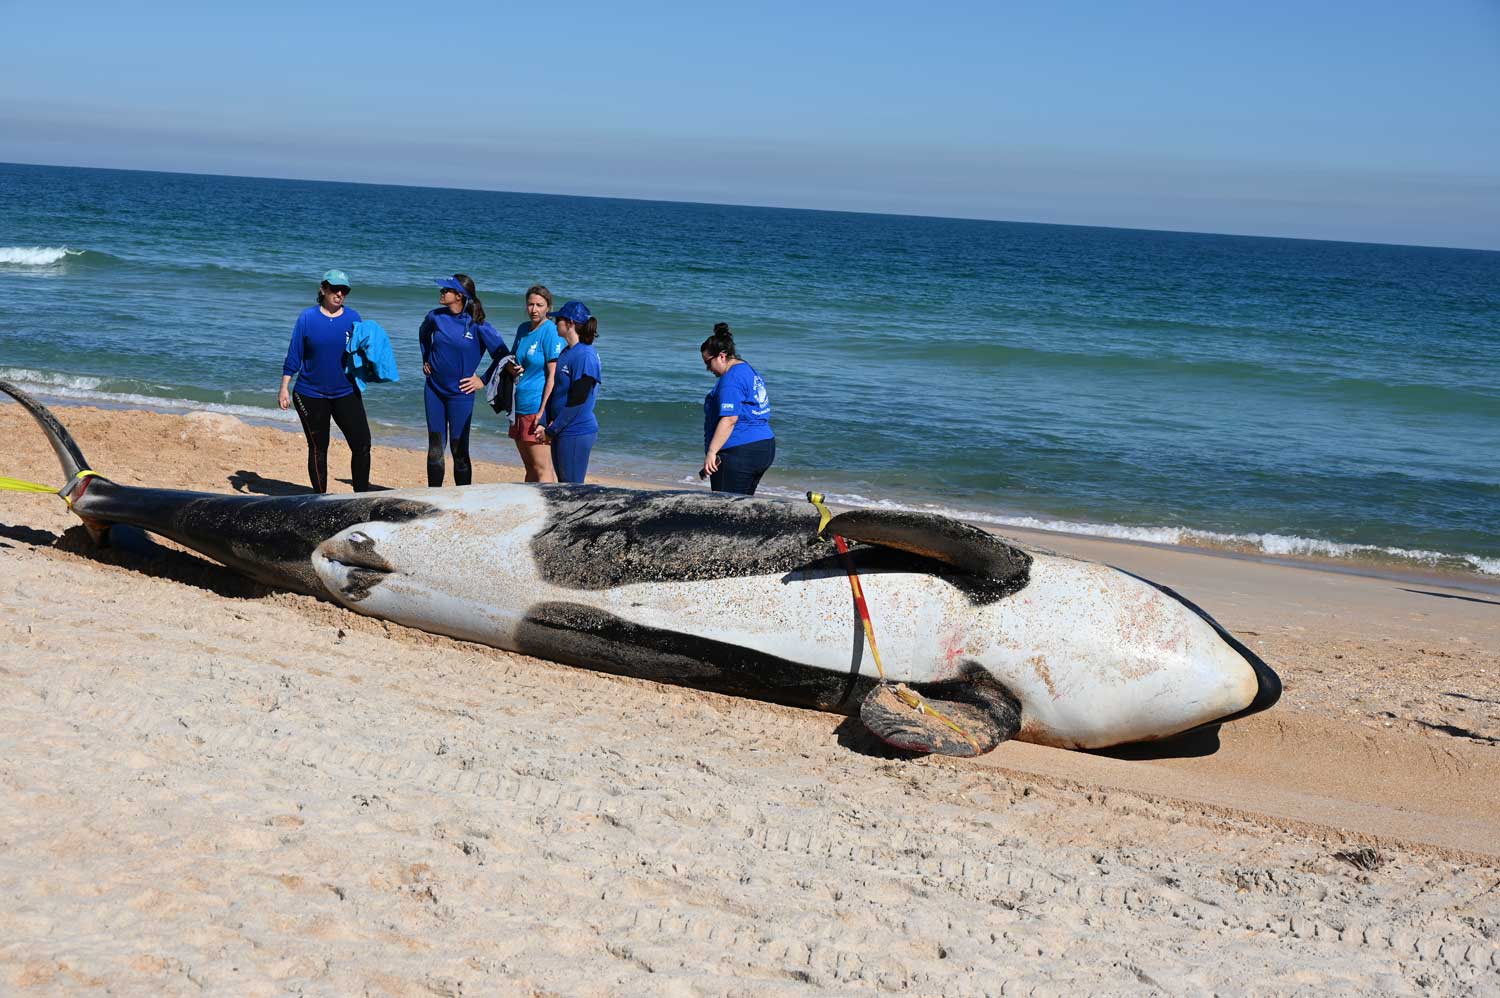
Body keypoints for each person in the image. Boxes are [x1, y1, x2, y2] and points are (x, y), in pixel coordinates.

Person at [279, 269, 372, 493]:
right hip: (310, 394)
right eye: (335, 289)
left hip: (345, 392)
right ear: (323, 289)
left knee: (362, 444)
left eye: (344, 290)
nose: (340, 293)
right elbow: (294, 354)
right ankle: (319, 497)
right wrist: (284, 387)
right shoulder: (307, 318)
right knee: (319, 448)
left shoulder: (353, 318)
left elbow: (361, 353)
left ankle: (360, 496)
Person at [420, 274, 515, 487]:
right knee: (435, 449)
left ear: (460, 296)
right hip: (433, 390)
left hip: (460, 395)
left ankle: (463, 499)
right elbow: (423, 334)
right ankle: (434, 496)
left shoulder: (478, 326)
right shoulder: (435, 316)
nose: (442, 293)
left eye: (446, 290)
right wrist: (425, 358)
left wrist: (483, 379)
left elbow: (503, 354)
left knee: (459, 450)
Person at [700, 322, 775, 495]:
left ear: (721, 356)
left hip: (740, 451)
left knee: (724, 507)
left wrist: (712, 452)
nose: (707, 369)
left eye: (708, 363)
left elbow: (730, 419)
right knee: (742, 506)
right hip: (764, 447)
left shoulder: (730, 380)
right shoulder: (748, 370)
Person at [506, 284, 564, 482]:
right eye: (530, 304)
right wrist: (511, 367)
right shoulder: (523, 329)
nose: (534, 309)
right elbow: (512, 359)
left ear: (548, 307)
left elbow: (553, 376)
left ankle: (549, 508)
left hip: (536, 406)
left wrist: (544, 411)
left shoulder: (551, 331)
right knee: (529, 467)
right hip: (519, 404)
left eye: (539, 305)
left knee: (543, 468)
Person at [541, 301, 602, 484]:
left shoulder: (585, 355)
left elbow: (578, 401)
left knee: (573, 489)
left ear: (570, 323)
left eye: (558, 319)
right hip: (561, 429)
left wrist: (552, 430)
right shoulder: (567, 351)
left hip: (576, 431)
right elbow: (557, 390)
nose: (555, 323)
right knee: (563, 486)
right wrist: (543, 422)